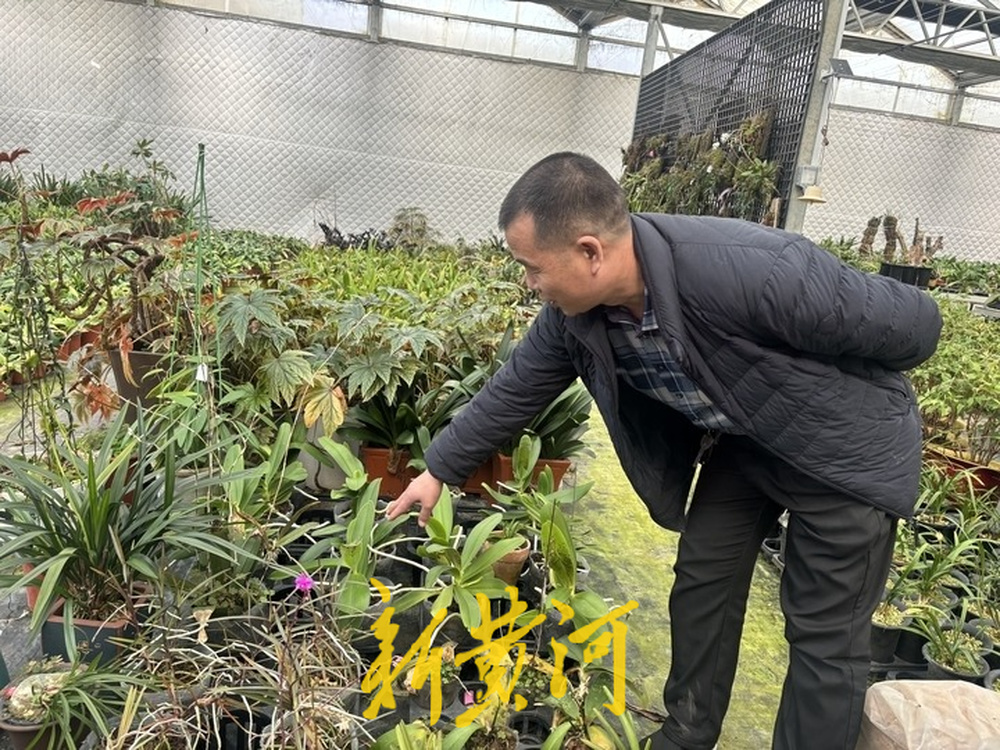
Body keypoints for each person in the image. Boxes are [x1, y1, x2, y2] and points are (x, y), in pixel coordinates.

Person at [386, 152, 942, 749]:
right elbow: (516, 387)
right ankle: (685, 735)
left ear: (590, 252)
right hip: (749, 443)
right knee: (703, 582)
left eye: (532, 267)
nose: (529, 282)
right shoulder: (575, 317)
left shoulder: (757, 270)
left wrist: (831, 394)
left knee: (823, 636)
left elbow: (916, 324)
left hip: (843, 454)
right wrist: (439, 470)